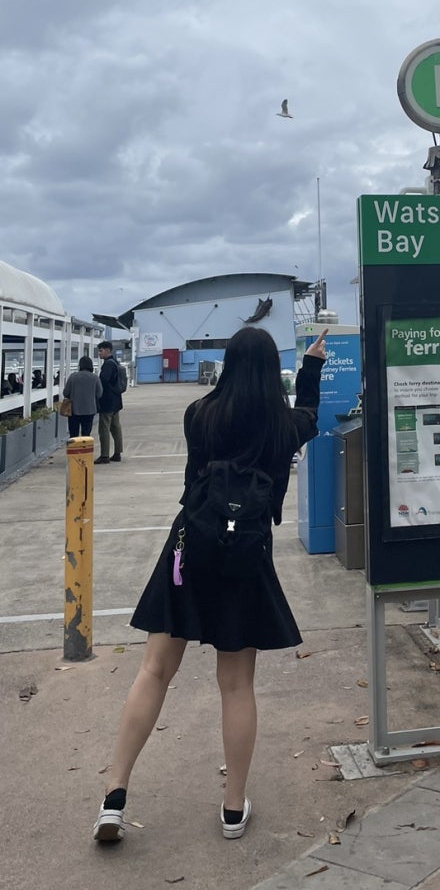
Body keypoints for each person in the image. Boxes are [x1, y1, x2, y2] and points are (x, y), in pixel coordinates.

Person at [93, 324, 328, 844]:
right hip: (246, 554)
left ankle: (114, 794)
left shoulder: (199, 413)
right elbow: (310, 414)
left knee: (155, 670)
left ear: (229, 364)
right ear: (272, 371)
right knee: (237, 684)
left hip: (190, 546)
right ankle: (233, 806)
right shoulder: (284, 427)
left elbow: (190, 481)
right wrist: (312, 365)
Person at [96, 340, 123, 464]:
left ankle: (104, 455)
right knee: (116, 427)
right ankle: (118, 453)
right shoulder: (115, 363)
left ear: (107, 350)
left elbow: (103, 382)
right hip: (116, 400)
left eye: (101, 350)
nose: (99, 353)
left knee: (104, 428)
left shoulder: (107, 365)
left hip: (107, 401)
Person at [62, 356, 102, 438]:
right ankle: (85, 446)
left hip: (74, 410)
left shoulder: (73, 376)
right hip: (89, 410)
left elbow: (66, 393)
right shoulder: (95, 377)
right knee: (86, 435)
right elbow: (99, 393)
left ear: (80, 365)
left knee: (73, 435)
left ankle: (74, 446)